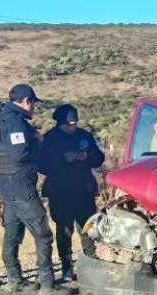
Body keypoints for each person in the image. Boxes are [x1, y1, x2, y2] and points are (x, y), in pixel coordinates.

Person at [0, 83, 70, 295]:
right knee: (43, 234)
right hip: (20, 186)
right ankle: (48, 284)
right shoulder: (16, 124)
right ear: (27, 101)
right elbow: (20, 155)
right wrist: (38, 142)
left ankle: (14, 280)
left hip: (6, 185)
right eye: (33, 104)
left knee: (13, 232)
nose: (34, 109)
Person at [39, 103, 105, 281]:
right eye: (68, 124)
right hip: (60, 191)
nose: (72, 127)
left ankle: (92, 264)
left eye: (75, 123)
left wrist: (86, 157)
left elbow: (99, 158)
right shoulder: (49, 139)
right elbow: (41, 165)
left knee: (88, 228)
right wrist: (62, 160)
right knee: (64, 230)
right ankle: (67, 268)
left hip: (84, 190)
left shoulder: (85, 136)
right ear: (59, 123)